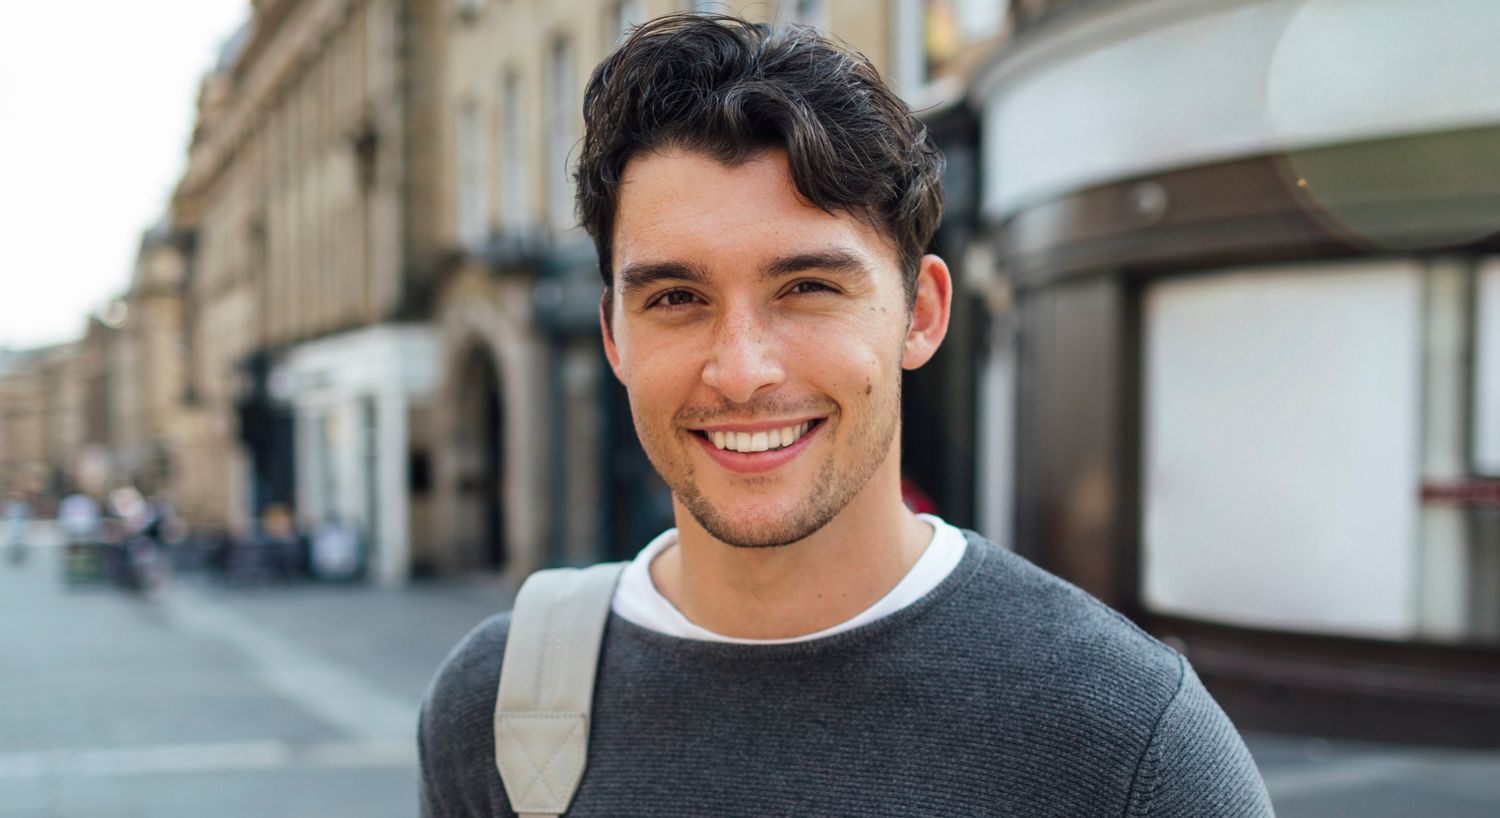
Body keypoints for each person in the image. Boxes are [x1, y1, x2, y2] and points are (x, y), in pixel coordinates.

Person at [419, 13, 1273, 817]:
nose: (743, 371)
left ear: (922, 314)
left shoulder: (1124, 741)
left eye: (809, 289)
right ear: (613, 336)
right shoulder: (496, 704)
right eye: (677, 298)